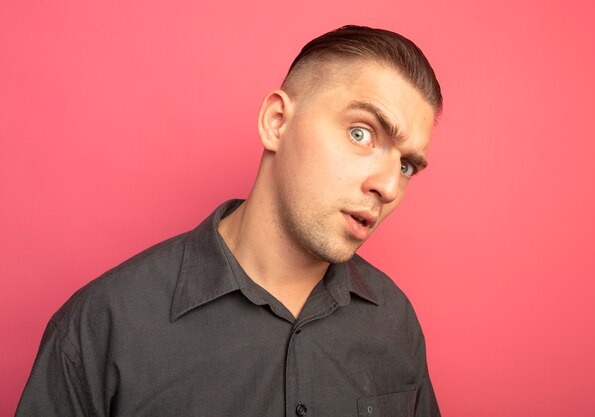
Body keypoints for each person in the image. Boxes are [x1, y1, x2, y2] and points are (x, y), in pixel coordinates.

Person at [16, 25, 443, 416]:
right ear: (276, 122)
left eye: (406, 166)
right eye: (360, 134)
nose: (388, 186)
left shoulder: (395, 321)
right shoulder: (103, 325)